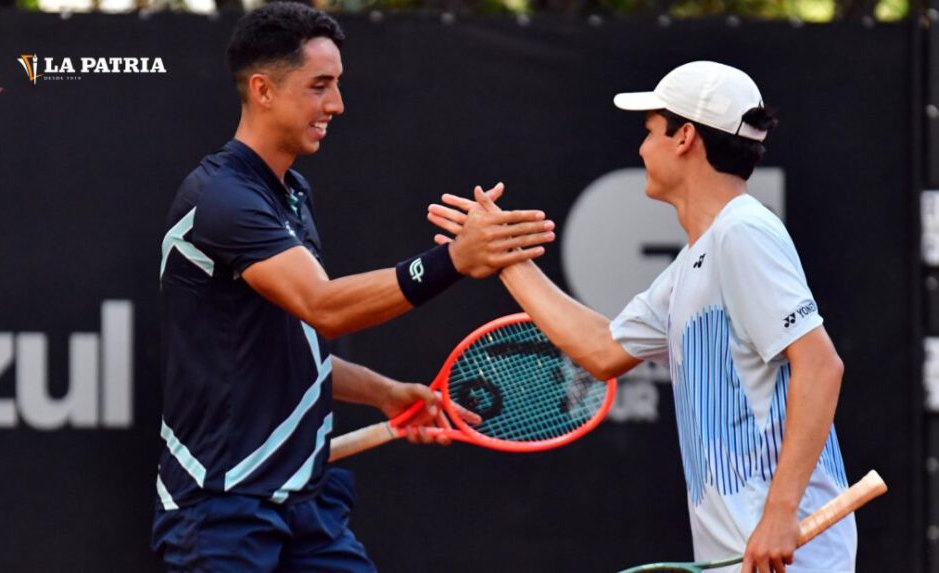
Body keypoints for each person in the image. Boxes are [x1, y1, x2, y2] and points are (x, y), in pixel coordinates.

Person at [152, 3, 556, 571]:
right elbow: (323, 309)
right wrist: (454, 260)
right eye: (320, 86)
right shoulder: (223, 200)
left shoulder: (290, 193)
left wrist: (385, 392)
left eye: (337, 85)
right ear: (263, 90)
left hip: (305, 509)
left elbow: (287, 344)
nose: (336, 105)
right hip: (221, 509)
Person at [429, 61, 855, 573]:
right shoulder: (698, 258)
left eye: (650, 131)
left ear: (685, 138)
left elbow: (820, 365)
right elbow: (603, 350)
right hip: (742, 556)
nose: (641, 148)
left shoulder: (743, 233)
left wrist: (780, 515)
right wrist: (505, 260)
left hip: (790, 554)